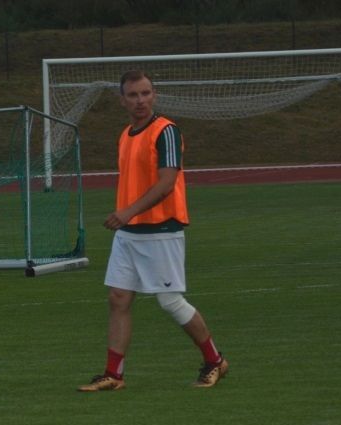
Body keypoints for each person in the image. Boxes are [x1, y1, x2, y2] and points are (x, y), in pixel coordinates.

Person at [78, 70, 228, 392]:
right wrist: (127, 217)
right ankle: (114, 374)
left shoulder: (166, 131)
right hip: (129, 232)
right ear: (122, 100)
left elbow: (167, 183)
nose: (140, 100)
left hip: (161, 229)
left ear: (154, 95)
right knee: (118, 298)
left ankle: (215, 360)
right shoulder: (125, 134)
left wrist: (127, 212)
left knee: (170, 301)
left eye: (145, 93)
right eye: (133, 95)